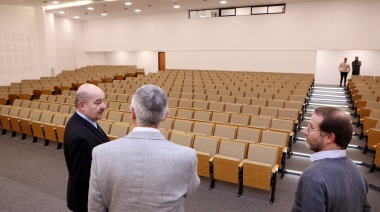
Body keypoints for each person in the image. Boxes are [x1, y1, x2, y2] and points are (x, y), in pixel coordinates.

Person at [88, 84, 200, 212]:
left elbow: (95, 206)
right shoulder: (187, 156)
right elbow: (189, 190)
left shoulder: (101, 153)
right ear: (165, 115)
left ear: (132, 112)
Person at [291, 106, 371, 212]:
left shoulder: (313, 177)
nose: (305, 131)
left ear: (329, 137)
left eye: (311, 128)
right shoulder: (360, 175)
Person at [64, 83, 110, 212]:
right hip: (87, 203)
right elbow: (84, 181)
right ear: (82, 106)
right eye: (98, 102)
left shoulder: (84, 121)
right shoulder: (81, 136)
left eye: (103, 101)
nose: (104, 106)